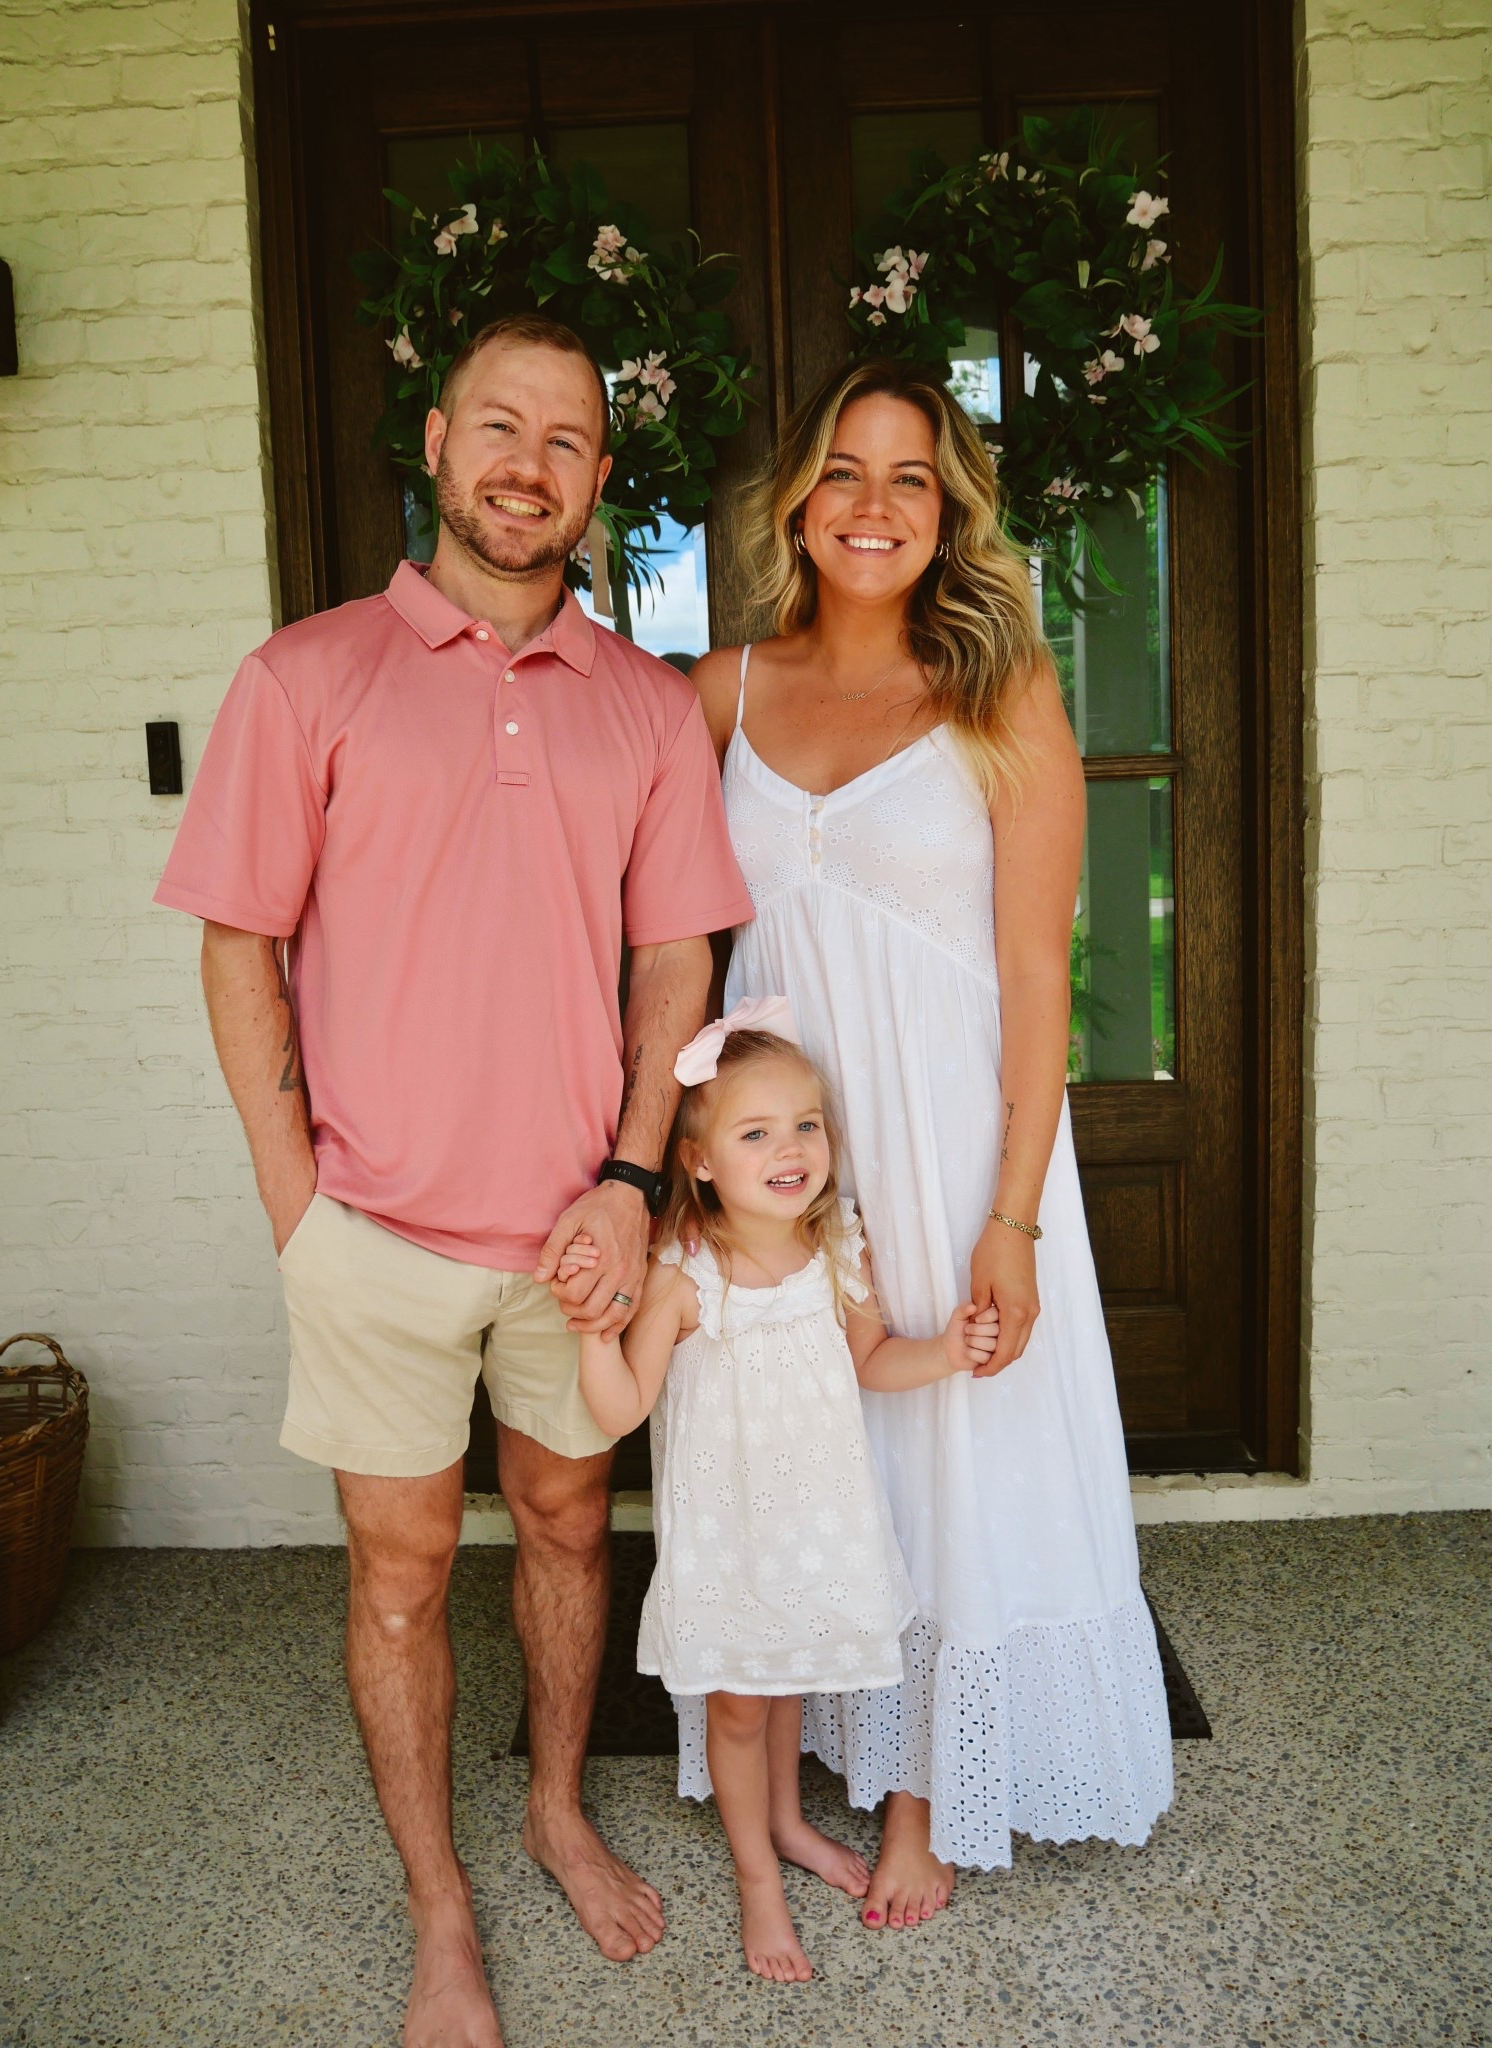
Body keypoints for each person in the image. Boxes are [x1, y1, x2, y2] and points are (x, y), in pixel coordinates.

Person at [154, 314, 755, 2048]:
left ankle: (557, 1804)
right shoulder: (306, 678)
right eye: (502, 425)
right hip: (376, 1238)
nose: (530, 465)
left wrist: (637, 1178)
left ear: (598, 480)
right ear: (433, 440)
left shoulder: (644, 708)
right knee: (402, 1571)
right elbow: (241, 945)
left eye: (567, 440)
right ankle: (439, 1907)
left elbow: (673, 960)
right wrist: (298, 1205)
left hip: (579, 1225)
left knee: (570, 1523)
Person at [689, 357, 1175, 1933]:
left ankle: (925, 1790)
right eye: (844, 470)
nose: (874, 505)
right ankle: (830, 1724)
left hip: (957, 1137)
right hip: (783, 1152)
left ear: (950, 508)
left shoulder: (1002, 690)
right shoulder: (725, 691)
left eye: (910, 476)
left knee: (953, 1436)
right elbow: (664, 943)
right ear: (799, 502)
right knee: (819, 1436)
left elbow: (1040, 974)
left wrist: (1012, 1218)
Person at [559, 1003, 999, 1980]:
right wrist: (594, 1330)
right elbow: (623, 1408)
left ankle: (791, 1820)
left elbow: (871, 1358)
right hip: (730, 1539)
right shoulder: (685, 1275)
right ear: (703, 1159)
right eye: (756, 1132)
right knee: (741, 1708)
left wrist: (947, 1351)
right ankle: (757, 1875)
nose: (790, 1146)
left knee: (789, 1675)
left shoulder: (836, 1245)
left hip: (816, 1526)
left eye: (806, 1123)